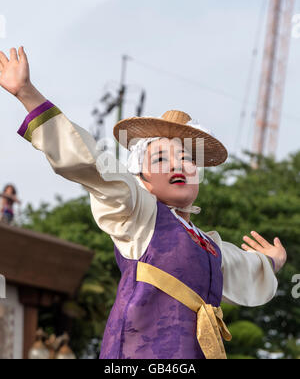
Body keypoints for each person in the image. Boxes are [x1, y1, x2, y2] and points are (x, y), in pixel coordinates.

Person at [0, 47, 287, 359]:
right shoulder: (140, 214)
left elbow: (244, 267)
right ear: (142, 180)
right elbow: (93, 163)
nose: (178, 166)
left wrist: (271, 262)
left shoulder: (209, 246)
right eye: (162, 159)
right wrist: (28, 94)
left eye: (187, 159)